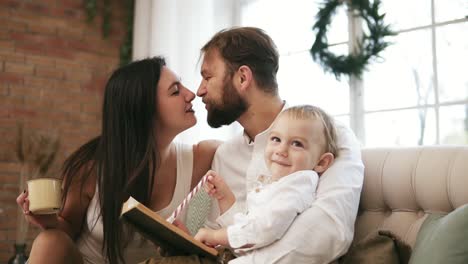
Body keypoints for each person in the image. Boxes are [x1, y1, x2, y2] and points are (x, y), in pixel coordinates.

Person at [16, 57, 220, 264]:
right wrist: (48, 221)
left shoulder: (202, 158)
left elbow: (251, 140)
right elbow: (67, 227)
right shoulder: (92, 166)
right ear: (143, 107)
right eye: (175, 91)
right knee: (49, 241)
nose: (191, 94)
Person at [196, 26, 364, 263]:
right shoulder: (225, 155)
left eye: (207, 76)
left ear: (243, 78)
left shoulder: (333, 138)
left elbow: (328, 233)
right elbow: (220, 235)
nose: (199, 90)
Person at [194, 105, 339, 263]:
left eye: (297, 144)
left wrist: (215, 236)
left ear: (322, 162)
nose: (281, 150)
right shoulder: (281, 183)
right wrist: (223, 196)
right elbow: (249, 226)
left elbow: (264, 229)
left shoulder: (298, 185)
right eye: (276, 139)